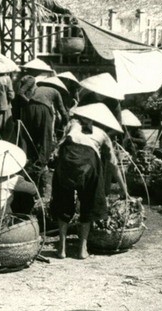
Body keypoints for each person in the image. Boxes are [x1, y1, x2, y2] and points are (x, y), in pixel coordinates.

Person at [50, 103, 129, 259]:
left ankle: (62, 249)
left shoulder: (72, 125)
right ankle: (82, 249)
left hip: (67, 160)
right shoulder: (103, 135)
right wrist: (124, 189)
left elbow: (59, 146)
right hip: (89, 162)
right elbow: (114, 166)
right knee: (88, 203)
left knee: (63, 202)